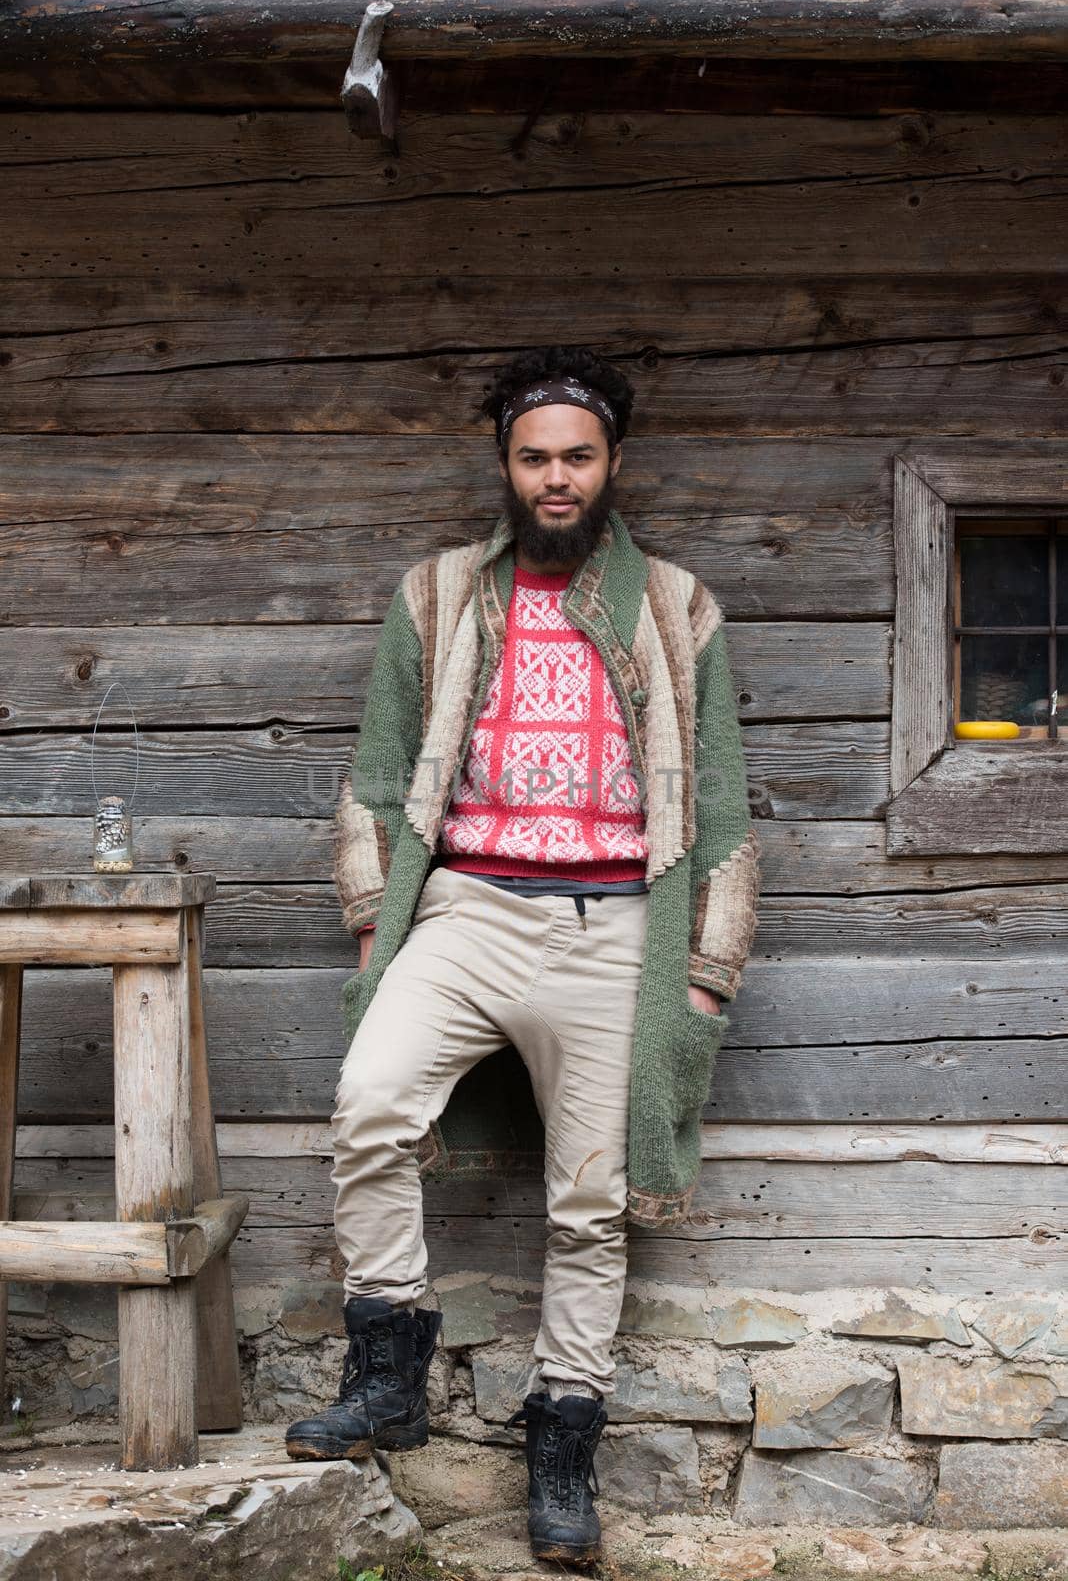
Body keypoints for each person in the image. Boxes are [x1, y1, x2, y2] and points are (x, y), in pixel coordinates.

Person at [286, 345, 761, 1566]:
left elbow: (720, 812)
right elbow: (379, 781)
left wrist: (702, 977)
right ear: (505, 464)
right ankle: (388, 1369)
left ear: (614, 465)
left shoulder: (679, 607)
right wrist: (372, 927)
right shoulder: (440, 594)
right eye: (534, 457)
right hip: (465, 912)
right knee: (370, 1105)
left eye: (578, 458)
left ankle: (561, 1455)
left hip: (617, 930)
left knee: (589, 1206)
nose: (556, 480)